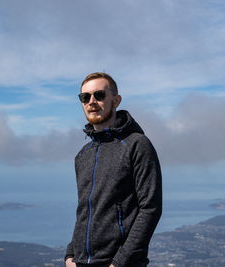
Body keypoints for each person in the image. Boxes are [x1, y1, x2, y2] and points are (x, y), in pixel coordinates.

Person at [65, 72, 162, 267]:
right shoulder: (83, 155)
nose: (91, 101)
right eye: (85, 97)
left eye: (99, 95)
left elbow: (150, 208)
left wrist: (120, 263)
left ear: (116, 100)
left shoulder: (137, 144)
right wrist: (70, 255)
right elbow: (86, 211)